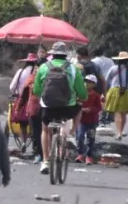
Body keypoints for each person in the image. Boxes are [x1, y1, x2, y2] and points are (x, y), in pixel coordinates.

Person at [32, 43, 87, 175]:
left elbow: (36, 90)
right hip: (67, 107)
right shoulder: (74, 69)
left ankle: (45, 161)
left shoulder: (43, 67)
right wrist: (81, 97)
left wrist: (45, 97)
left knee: (45, 129)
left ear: (52, 53)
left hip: (48, 107)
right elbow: (82, 94)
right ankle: (72, 134)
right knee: (79, 108)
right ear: (65, 54)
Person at [104, 52, 128, 139]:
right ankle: (121, 131)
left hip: (115, 91)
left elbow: (107, 81)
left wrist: (104, 92)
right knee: (124, 113)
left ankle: (119, 133)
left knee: (117, 112)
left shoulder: (113, 68)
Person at [76, 74, 102, 164]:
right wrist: (80, 109)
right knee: (80, 136)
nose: (87, 84)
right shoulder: (79, 94)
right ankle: (80, 153)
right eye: (86, 82)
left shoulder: (96, 95)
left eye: (90, 82)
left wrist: (90, 109)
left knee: (91, 138)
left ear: (94, 84)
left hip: (92, 120)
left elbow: (99, 108)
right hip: (81, 120)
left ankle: (89, 156)